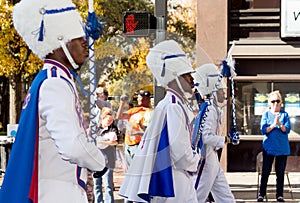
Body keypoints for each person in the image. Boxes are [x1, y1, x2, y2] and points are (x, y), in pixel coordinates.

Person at [0, 0, 107, 202]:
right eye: (77, 37)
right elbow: (73, 145)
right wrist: (99, 162)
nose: (85, 43)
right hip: (57, 192)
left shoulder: (51, 78)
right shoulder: (55, 82)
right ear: (59, 43)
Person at [119, 40, 200, 202]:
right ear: (175, 78)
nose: (192, 80)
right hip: (176, 181)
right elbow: (180, 152)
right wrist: (196, 159)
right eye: (187, 75)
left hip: (176, 178)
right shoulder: (173, 106)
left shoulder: (171, 104)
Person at [192, 63, 235, 203]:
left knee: (225, 196)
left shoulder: (214, 108)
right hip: (206, 156)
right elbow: (206, 137)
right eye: (221, 90)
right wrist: (226, 139)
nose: (224, 93)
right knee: (197, 195)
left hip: (213, 158)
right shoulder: (209, 109)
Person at [257, 90, 291, 202]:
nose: (275, 103)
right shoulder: (266, 115)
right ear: (269, 103)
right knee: (265, 172)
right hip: (269, 148)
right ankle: (261, 194)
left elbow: (287, 130)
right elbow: (264, 130)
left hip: (282, 148)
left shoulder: (284, 115)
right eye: (273, 101)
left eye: (278, 101)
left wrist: (279, 124)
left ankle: (280, 195)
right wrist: (273, 125)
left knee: (280, 173)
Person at [116, 90, 152, 167]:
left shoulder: (150, 112)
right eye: (138, 97)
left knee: (137, 169)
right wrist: (122, 103)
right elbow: (119, 116)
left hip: (139, 145)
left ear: (146, 98)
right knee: (130, 171)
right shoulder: (135, 110)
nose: (138, 99)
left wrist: (137, 132)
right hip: (128, 143)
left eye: (140, 97)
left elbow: (149, 132)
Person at [94, 107, 119, 203]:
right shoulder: (96, 128)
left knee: (108, 184)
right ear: (103, 118)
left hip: (109, 159)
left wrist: (103, 142)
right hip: (96, 159)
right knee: (97, 183)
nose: (110, 122)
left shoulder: (113, 128)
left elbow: (116, 142)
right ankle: (98, 201)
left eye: (112, 120)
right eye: (108, 120)